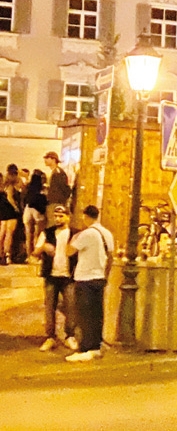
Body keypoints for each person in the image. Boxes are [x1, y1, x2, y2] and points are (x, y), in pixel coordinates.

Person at [65, 205, 114, 362]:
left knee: (84, 315)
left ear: (86, 216)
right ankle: (96, 345)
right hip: (99, 278)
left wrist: (74, 237)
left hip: (85, 278)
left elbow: (69, 251)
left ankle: (86, 348)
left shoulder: (86, 234)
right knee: (97, 314)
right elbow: (111, 256)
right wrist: (105, 275)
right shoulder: (107, 234)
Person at [33, 205, 78, 352]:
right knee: (49, 307)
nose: (58, 219)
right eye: (56, 216)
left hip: (68, 276)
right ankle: (50, 337)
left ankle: (69, 336)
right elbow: (35, 252)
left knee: (70, 306)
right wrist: (43, 248)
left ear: (68, 217)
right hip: (51, 275)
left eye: (61, 216)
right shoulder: (47, 233)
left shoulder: (75, 234)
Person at [23, 169, 48, 259]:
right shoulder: (42, 188)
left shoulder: (28, 187)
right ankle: (36, 255)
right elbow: (45, 199)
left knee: (28, 234)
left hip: (27, 209)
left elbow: (24, 198)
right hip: (38, 210)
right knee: (38, 234)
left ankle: (28, 255)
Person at [0, 166, 20, 264]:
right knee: (9, 234)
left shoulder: (4, 185)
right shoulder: (11, 186)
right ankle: (7, 254)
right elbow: (10, 197)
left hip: (3, 210)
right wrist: (16, 207)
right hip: (10, 211)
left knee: (2, 233)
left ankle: (1, 254)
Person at [44, 152, 71, 216]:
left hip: (56, 203)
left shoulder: (58, 172)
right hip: (54, 202)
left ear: (53, 160)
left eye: (47, 158)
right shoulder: (54, 172)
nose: (45, 160)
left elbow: (64, 187)